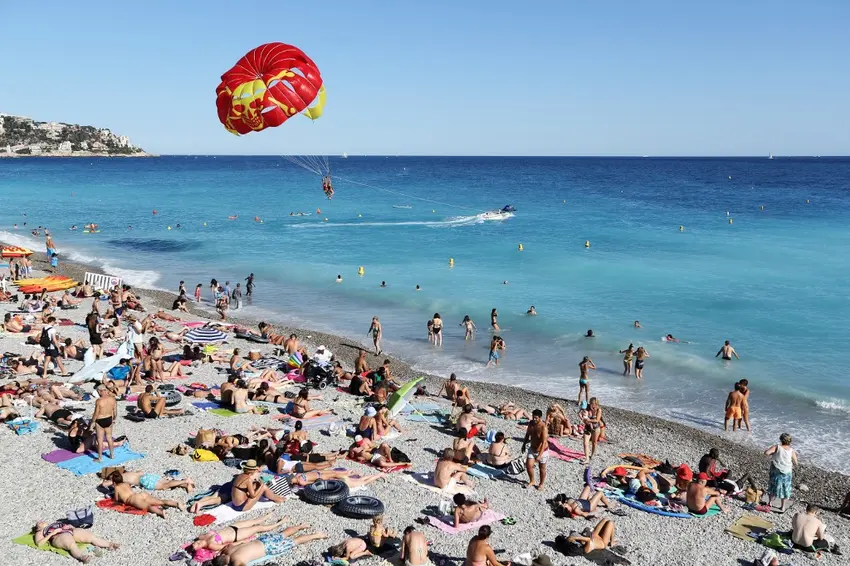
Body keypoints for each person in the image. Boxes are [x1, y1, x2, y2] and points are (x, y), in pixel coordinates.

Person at [190, 513, 287, 560]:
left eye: (195, 543)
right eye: (197, 545)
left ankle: (267, 516)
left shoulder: (202, 537)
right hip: (236, 535)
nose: (197, 543)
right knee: (258, 528)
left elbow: (201, 533)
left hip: (232, 527)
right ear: (200, 548)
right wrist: (242, 542)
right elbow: (228, 546)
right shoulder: (211, 545)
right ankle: (280, 523)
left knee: (253, 521)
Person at [213, 526, 326, 566]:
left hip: (269, 547)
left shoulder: (236, 561)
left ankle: (317, 535)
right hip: (261, 540)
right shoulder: (227, 549)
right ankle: (301, 526)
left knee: (295, 541)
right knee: (283, 534)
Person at [33, 521, 119, 562]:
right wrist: (52, 533)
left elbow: (70, 526)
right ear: (38, 528)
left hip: (70, 531)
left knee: (90, 536)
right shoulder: (40, 532)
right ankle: (82, 557)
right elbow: (39, 543)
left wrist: (71, 526)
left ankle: (109, 544)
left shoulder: (53, 523)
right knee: (70, 543)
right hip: (58, 536)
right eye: (39, 523)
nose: (40, 521)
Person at [111, 471, 184, 517]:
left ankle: (161, 512)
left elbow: (116, 500)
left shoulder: (117, 488)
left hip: (133, 499)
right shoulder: (126, 483)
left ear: (114, 482)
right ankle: (176, 503)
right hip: (140, 494)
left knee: (148, 507)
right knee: (160, 501)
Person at [765, 433, 797, 513]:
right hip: (787, 472)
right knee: (785, 489)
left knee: (773, 486)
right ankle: (782, 507)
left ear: (781, 439)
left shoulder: (777, 447)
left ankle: (770, 503)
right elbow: (796, 462)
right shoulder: (791, 450)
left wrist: (774, 453)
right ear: (790, 441)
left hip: (776, 470)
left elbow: (766, 453)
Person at [522, 409, 548, 490]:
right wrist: (523, 444)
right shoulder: (531, 423)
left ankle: (541, 484)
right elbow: (527, 434)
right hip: (532, 448)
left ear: (540, 418)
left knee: (542, 468)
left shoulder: (543, 427)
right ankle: (532, 481)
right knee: (528, 465)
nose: (534, 419)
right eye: (533, 417)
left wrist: (540, 455)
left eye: (536, 418)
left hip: (543, 451)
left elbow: (544, 442)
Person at [92, 386, 117, 462]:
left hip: (100, 420)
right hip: (109, 419)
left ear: (100, 391)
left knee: (100, 440)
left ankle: (100, 458)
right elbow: (115, 412)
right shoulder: (113, 399)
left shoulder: (99, 401)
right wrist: (114, 419)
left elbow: (96, 414)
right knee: (109, 438)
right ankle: (112, 455)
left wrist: (92, 422)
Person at [582, 398, 603, 464]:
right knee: (585, 443)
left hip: (596, 428)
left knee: (594, 442)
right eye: (591, 403)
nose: (592, 405)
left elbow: (597, 420)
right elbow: (582, 416)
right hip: (587, 427)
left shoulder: (599, 410)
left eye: (594, 403)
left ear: (597, 404)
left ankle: (593, 454)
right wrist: (585, 419)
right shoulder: (587, 408)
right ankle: (587, 458)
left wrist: (589, 420)